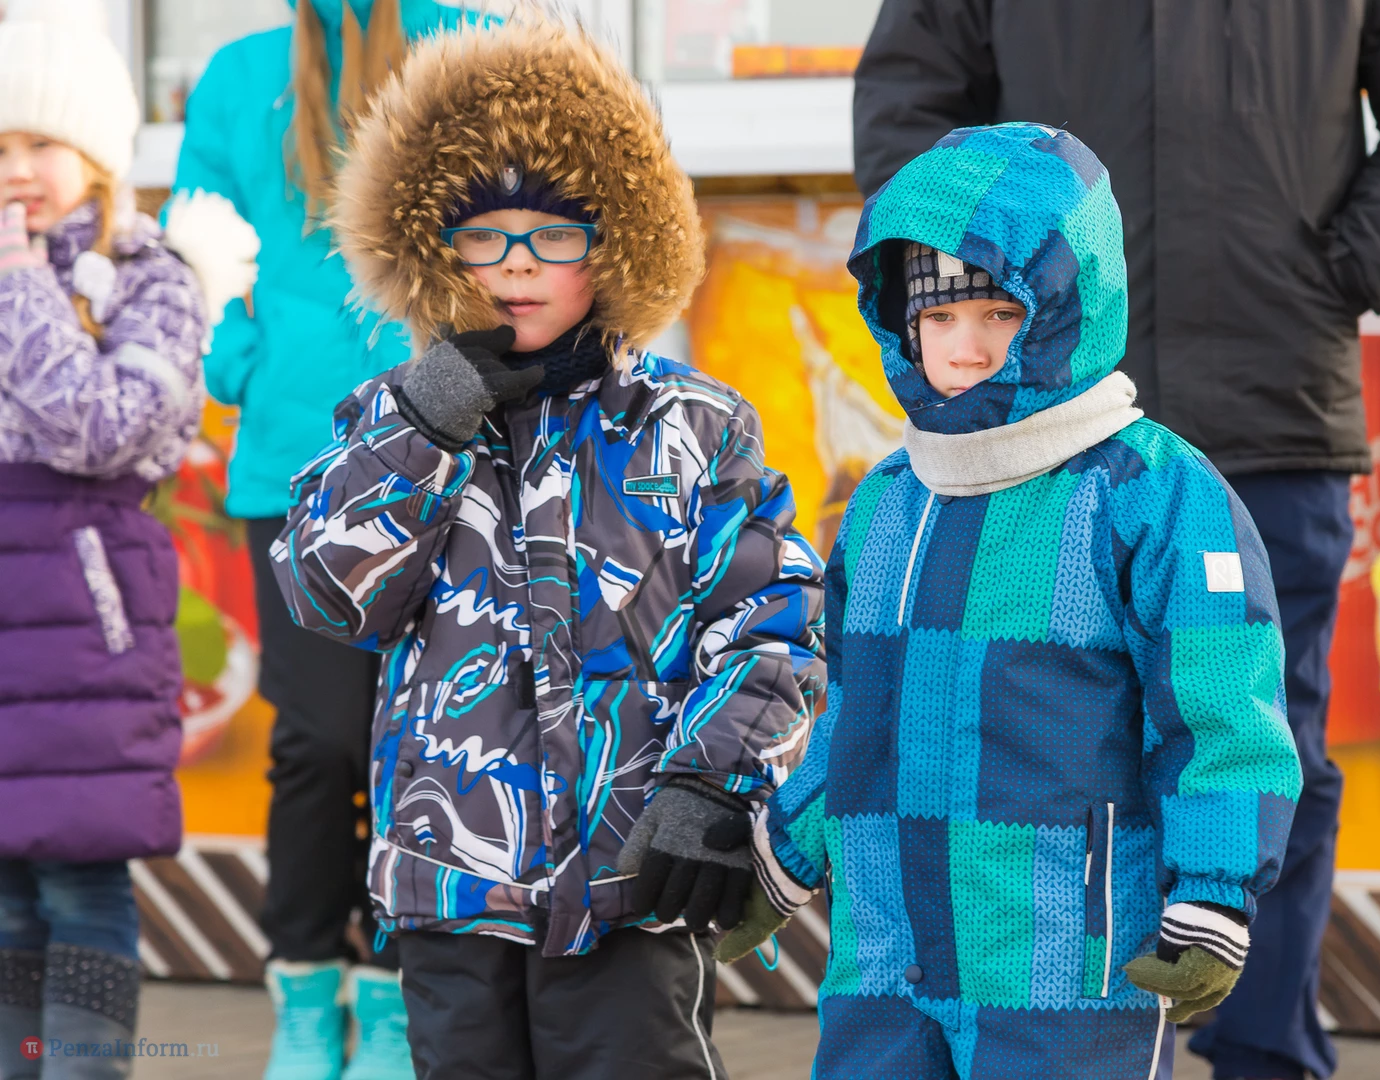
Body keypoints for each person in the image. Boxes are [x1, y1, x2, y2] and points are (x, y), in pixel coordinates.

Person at [851, 6, 1380, 1077]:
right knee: (1000, 737)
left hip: (1267, 393)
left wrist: (1333, 275)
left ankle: (1263, 1054)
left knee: (1257, 738)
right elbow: (905, 96)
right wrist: (964, 265)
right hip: (1020, 428)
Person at [271, 16, 826, 1079]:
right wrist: (423, 431)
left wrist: (712, 785)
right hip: (453, 880)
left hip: (631, 879)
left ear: (614, 245)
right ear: (434, 249)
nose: (518, 264)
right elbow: (324, 594)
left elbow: (774, 620)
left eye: (554, 235)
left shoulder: (692, 425)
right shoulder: (397, 418)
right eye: (484, 235)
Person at [725, 123, 1301, 1080]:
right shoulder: (886, 499)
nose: (966, 347)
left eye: (999, 312)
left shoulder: (1147, 491)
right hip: (886, 958)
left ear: (1065, 307)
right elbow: (854, 712)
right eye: (939, 315)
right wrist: (783, 852)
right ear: (898, 320)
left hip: (1063, 962)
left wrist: (1213, 891)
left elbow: (1222, 713)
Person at [165, 3, 475, 1075]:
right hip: (291, 468)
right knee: (318, 741)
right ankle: (303, 989)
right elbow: (197, 247)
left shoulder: (470, 36)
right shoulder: (240, 75)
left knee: (420, 743)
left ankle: (391, 998)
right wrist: (241, 365)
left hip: (447, 461)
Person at [0, 1, 209, 1076]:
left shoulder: (151, 276)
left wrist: (21, 283)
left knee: (80, 876)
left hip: (82, 629)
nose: (15, 170)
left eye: (39, 142)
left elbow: (98, 429)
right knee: (3, 893)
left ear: (93, 153)